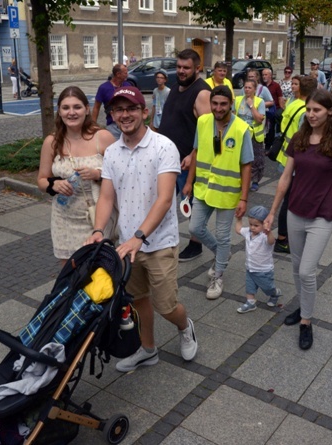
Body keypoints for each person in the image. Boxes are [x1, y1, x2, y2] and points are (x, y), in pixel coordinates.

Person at [86, 86, 198, 371]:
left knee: (166, 306)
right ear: (112, 115)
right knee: (137, 300)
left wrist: (140, 236)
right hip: (127, 244)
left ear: (144, 112)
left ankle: (185, 327)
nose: (125, 115)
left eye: (131, 108)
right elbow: (108, 197)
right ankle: (148, 349)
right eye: (118, 110)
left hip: (158, 242)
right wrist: (99, 230)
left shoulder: (163, 146)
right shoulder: (112, 151)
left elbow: (163, 199)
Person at [264, 89, 332, 350]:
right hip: (294, 212)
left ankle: (306, 321)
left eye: (317, 110)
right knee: (295, 267)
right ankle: (304, 306)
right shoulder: (299, 137)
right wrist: (272, 212)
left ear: (329, 111)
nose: (311, 114)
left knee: (307, 270)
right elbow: (284, 179)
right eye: (308, 109)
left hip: (322, 216)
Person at [183, 86, 254, 299]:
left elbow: (246, 165)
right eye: (215, 103)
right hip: (203, 188)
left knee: (223, 236)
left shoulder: (241, 129)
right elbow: (195, 152)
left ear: (231, 104)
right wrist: (188, 182)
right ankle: (222, 255)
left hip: (226, 191)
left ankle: (218, 274)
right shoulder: (203, 121)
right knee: (195, 226)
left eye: (223, 104)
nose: (218, 108)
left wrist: (244, 198)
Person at [37, 86, 116, 265]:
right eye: (66, 108)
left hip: (98, 218)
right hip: (65, 219)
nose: (71, 112)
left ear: (86, 109)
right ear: (59, 112)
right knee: (71, 276)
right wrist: (53, 185)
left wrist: (98, 174)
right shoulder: (52, 142)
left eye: (77, 107)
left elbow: (122, 176)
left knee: (100, 274)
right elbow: (41, 180)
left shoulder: (102, 137)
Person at [158, 49, 212, 262]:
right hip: (168, 160)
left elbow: (207, 133)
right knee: (166, 201)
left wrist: (193, 155)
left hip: (186, 162)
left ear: (197, 68)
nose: (181, 71)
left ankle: (195, 244)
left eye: (186, 67)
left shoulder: (202, 93)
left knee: (189, 204)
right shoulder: (175, 88)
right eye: (179, 66)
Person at [273, 76, 317, 254]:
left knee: (289, 199)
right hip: (295, 163)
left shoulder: (293, 104)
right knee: (289, 201)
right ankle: (283, 239)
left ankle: (286, 236)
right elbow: (304, 139)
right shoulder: (304, 111)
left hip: (285, 158)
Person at [235, 205, 282, 313]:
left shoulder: (264, 236)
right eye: (251, 224)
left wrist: (268, 231)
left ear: (264, 224)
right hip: (250, 268)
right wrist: (238, 218)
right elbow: (238, 230)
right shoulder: (248, 232)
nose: (252, 227)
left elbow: (271, 242)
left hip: (264, 270)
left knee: (267, 288)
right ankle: (250, 302)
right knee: (250, 287)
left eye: (256, 225)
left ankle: (275, 293)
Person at [234, 79, 266, 192]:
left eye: (249, 87)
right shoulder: (237, 100)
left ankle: (255, 181)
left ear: (254, 89)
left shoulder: (259, 102)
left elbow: (259, 119)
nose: (247, 89)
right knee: (240, 158)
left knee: (256, 159)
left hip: (254, 136)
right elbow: (233, 116)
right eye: (245, 87)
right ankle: (242, 179)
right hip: (240, 134)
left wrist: (251, 106)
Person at [92, 64, 131, 139]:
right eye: (125, 73)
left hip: (127, 124)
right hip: (113, 126)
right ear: (118, 74)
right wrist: (93, 125)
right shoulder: (104, 88)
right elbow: (96, 107)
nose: (127, 75)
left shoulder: (128, 86)